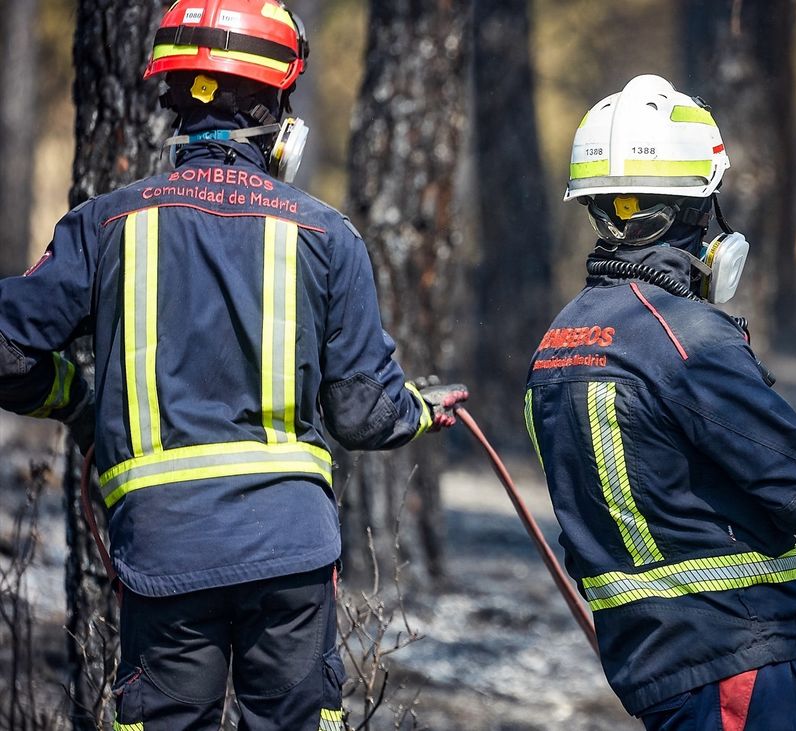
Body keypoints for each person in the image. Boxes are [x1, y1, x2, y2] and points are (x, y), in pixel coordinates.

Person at [0, 1, 466, 727]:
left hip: (163, 552)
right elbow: (361, 413)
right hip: (290, 555)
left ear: (174, 101)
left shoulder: (106, 224)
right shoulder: (327, 235)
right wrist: (422, 411)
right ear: (275, 109)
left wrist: (76, 400)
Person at [523, 74, 796, 730]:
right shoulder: (686, 337)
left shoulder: (557, 342)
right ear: (698, 211)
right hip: (732, 657)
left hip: (653, 663)